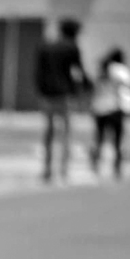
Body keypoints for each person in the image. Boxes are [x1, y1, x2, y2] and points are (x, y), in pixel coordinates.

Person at [34, 18, 90, 183]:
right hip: (64, 94)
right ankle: (63, 170)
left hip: (47, 94)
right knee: (65, 131)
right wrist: (87, 87)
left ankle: (47, 169)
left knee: (49, 131)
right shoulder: (72, 48)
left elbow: (38, 72)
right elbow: (79, 71)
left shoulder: (45, 46)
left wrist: (40, 90)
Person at [89, 47, 130, 181]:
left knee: (99, 137)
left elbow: (93, 90)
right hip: (114, 108)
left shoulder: (100, 72)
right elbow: (129, 87)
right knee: (117, 139)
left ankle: (96, 163)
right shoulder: (119, 71)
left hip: (99, 109)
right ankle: (117, 167)